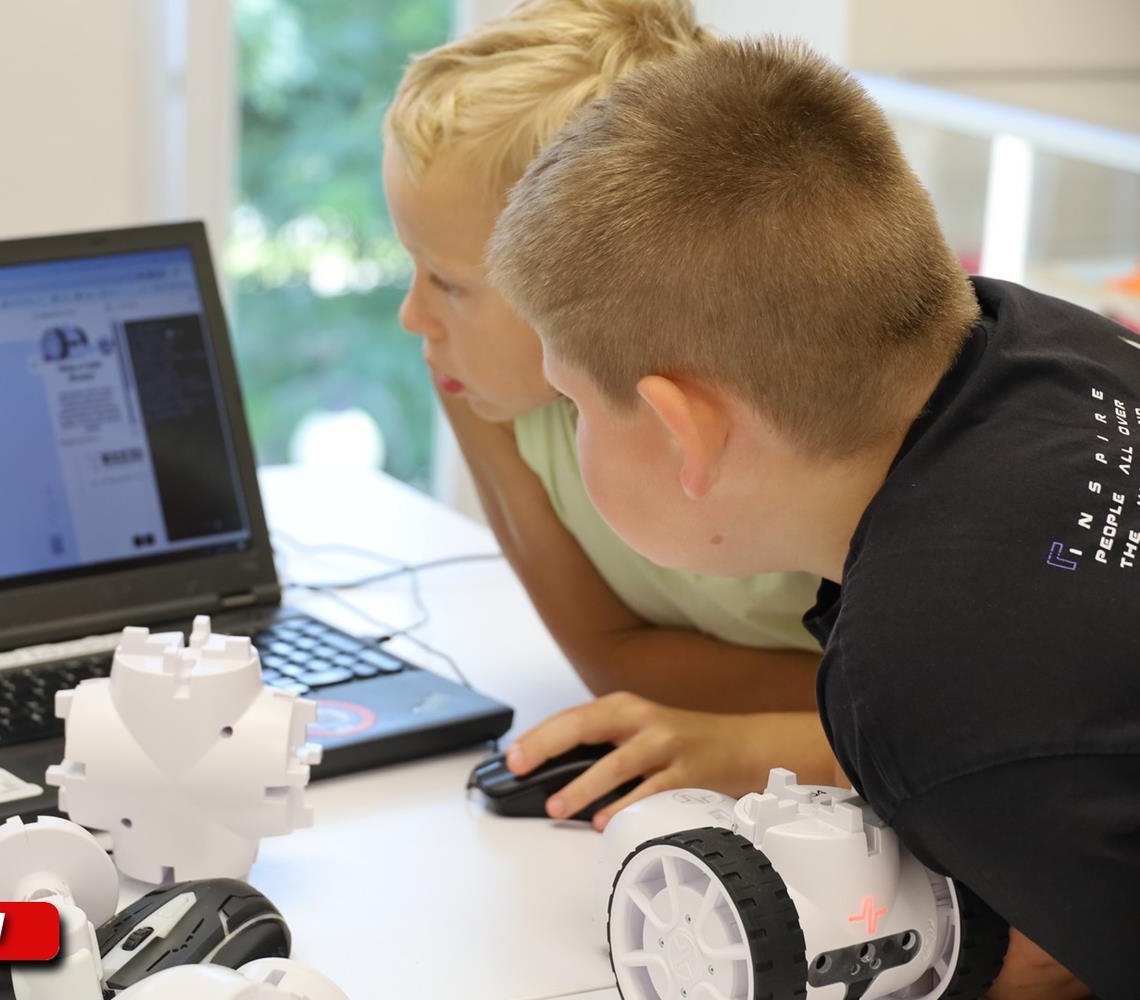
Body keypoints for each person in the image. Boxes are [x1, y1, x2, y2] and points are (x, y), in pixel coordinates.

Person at [486, 35, 1138, 1000]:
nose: (568, 427)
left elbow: (1065, 958)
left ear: (683, 431)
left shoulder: (924, 676)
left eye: (572, 403)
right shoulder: (1050, 338)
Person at [382, 0, 836, 821]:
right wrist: (821, 706)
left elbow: (945, 700)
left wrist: (759, 736)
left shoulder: (801, 419)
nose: (414, 317)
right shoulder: (476, 387)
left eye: (448, 282)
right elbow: (609, 656)